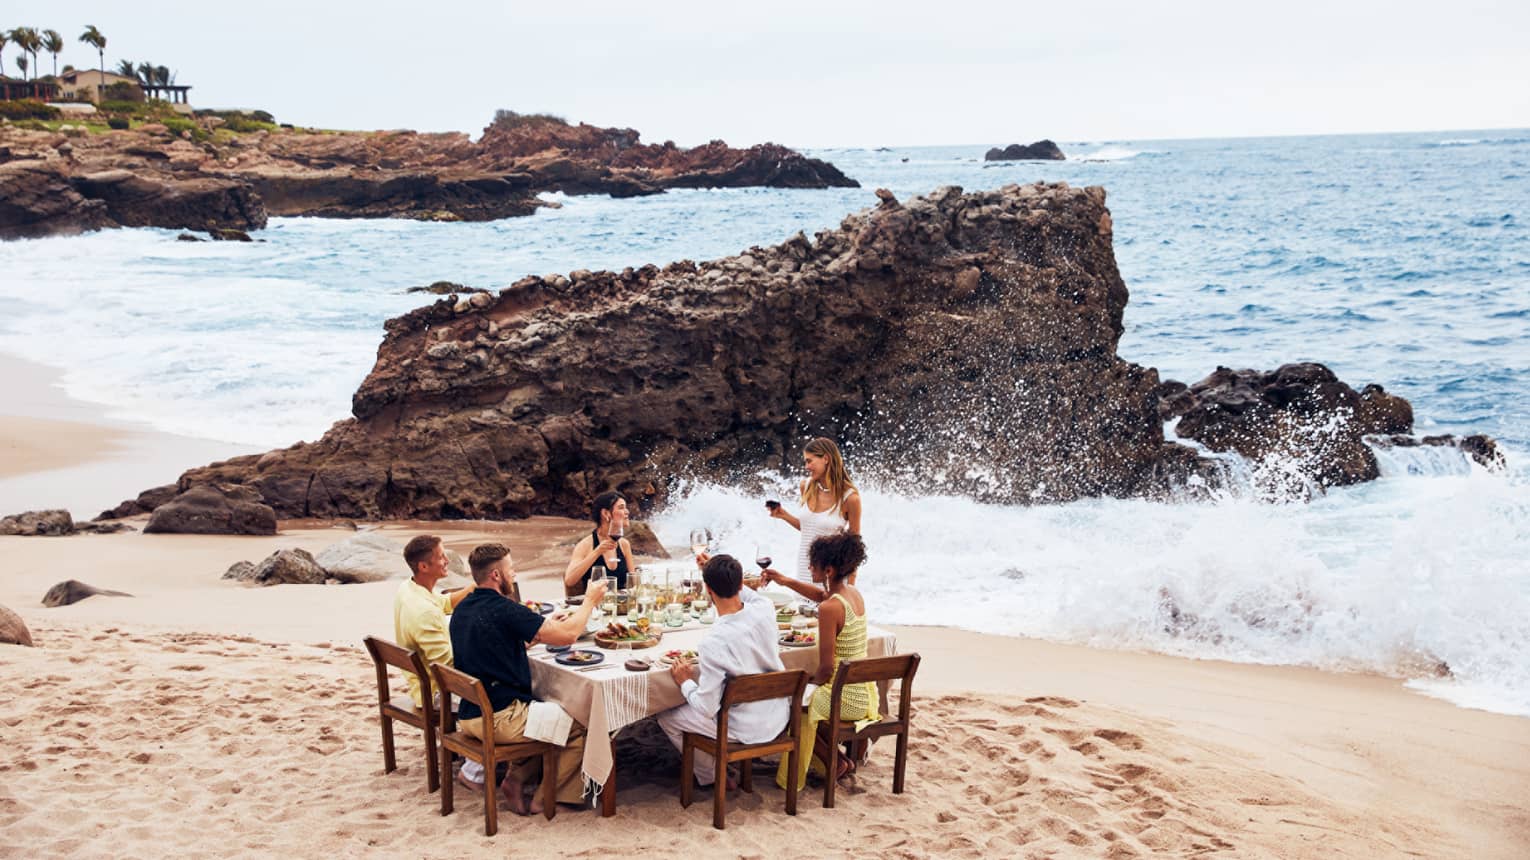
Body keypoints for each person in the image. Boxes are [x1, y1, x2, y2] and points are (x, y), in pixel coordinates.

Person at [451, 542, 607, 815]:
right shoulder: (505, 609)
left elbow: (492, 645)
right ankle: (547, 798)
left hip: (468, 713)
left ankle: (516, 779)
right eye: (511, 570)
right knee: (584, 721)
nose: (515, 574)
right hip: (498, 718)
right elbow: (568, 636)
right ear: (496, 575)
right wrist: (589, 601)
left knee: (549, 708)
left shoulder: (464, 607)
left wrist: (535, 634)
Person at [657, 554, 790, 789]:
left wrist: (685, 682)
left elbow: (707, 708)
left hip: (745, 728)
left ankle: (712, 777)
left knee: (667, 717)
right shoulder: (765, 608)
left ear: (707, 590)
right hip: (779, 717)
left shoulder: (713, 642)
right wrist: (716, 569)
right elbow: (746, 594)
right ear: (740, 583)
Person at [763, 532, 877, 789]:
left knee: (791, 705)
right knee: (802, 700)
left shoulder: (830, 610)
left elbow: (826, 668)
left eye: (812, 564)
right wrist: (785, 581)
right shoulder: (853, 594)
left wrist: (807, 686)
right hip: (862, 693)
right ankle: (840, 760)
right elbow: (821, 596)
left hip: (842, 696)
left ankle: (833, 762)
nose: (808, 567)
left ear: (828, 569)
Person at [392, 534, 482, 786]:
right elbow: (449, 670)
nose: (447, 561)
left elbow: (443, 603)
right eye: (441, 557)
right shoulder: (423, 612)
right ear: (424, 566)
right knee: (500, 691)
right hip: (433, 691)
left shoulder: (410, 588)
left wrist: (475, 588)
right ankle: (476, 768)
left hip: (418, 680)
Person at [768, 437, 862, 583]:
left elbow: (855, 548)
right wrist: (784, 515)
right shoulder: (805, 486)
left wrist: (850, 585)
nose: (806, 467)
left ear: (825, 458)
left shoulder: (850, 498)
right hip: (804, 570)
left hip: (832, 575)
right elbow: (811, 529)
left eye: (809, 461)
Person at [563, 491, 634, 597]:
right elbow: (569, 580)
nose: (627, 512)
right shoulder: (586, 545)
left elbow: (633, 582)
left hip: (622, 606)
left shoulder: (624, 544)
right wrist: (597, 552)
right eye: (621, 507)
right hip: (596, 608)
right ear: (606, 513)